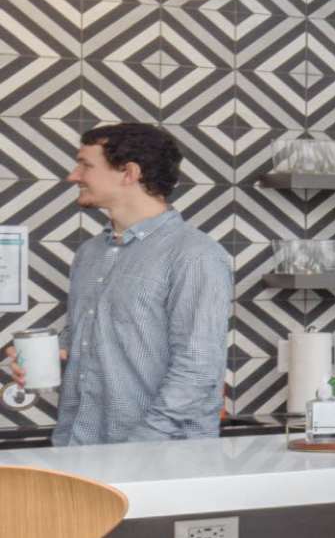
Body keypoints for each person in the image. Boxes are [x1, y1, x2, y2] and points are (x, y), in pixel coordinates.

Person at [39, 123, 230, 444]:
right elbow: (87, 345)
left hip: (157, 460)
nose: (74, 176)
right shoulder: (90, 253)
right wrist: (47, 356)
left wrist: (141, 447)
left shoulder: (194, 254)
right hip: (79, 446)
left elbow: (198, 369)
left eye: (86, 165)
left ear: (129, 172)